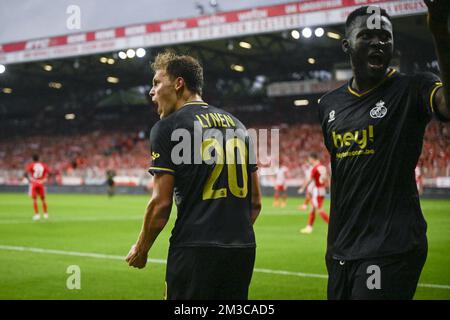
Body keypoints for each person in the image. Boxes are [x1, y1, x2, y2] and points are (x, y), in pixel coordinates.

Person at [317, 2, 450, 300]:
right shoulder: (329, 105)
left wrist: (440, 32)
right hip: (342, 249)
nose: (378, 42)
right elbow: (342, 178)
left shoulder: (413, 88)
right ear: (346, 45)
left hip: (392, 246)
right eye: (367, 36)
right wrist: (333, 247)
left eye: (385, 37)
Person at [125, 51, 262, 300]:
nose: (151, 91)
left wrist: (141, 249)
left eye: (156, 83)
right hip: (242, 250)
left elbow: (160, 204)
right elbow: (255, 203)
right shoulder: (239, 126)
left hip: (194, 250)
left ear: (179, 84)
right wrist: (227, 237)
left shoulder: (168, 127)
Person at [298, 153, 329, 234]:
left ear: (312, 159)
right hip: (322, 190)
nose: (309, 161)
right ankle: (309, 227)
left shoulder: (315, 168)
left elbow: (310, 179)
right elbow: (326, 178)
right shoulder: (322, 167)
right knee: (312, 209)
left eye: (309, 159)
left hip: (317, 191)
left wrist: (303, 188)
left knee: (319, 209)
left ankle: (333, 226)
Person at [24, 154, 50, 221]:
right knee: (43, 199)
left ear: (33, 159)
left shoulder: (31, 165)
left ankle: (37, 215)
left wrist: (30, 180)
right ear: (39, 158)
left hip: (34, 183)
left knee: (34, 199)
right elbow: (49, 173)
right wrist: (44, 179)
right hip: (41, 183)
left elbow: (25, 174)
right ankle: (45, 214)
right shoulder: (43, 165)